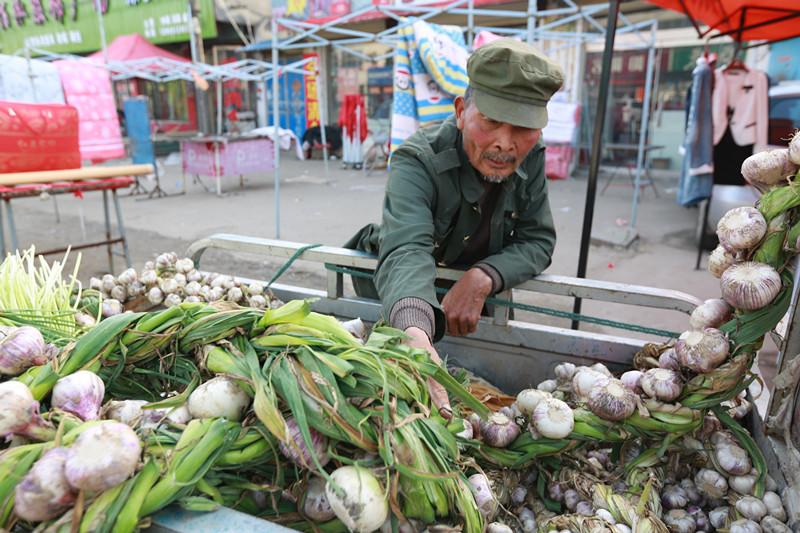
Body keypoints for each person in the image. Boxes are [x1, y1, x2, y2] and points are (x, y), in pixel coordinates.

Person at [345, 39, 564, 416]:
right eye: (492, 122)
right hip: (401, 296)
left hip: (480, 303)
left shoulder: (532, 158)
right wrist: (413, 330)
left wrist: (483, 278)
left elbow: (537, 239)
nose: (504, 144)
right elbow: (406, 249)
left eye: (523, 128)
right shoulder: (418, 158)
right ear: (462, 112)